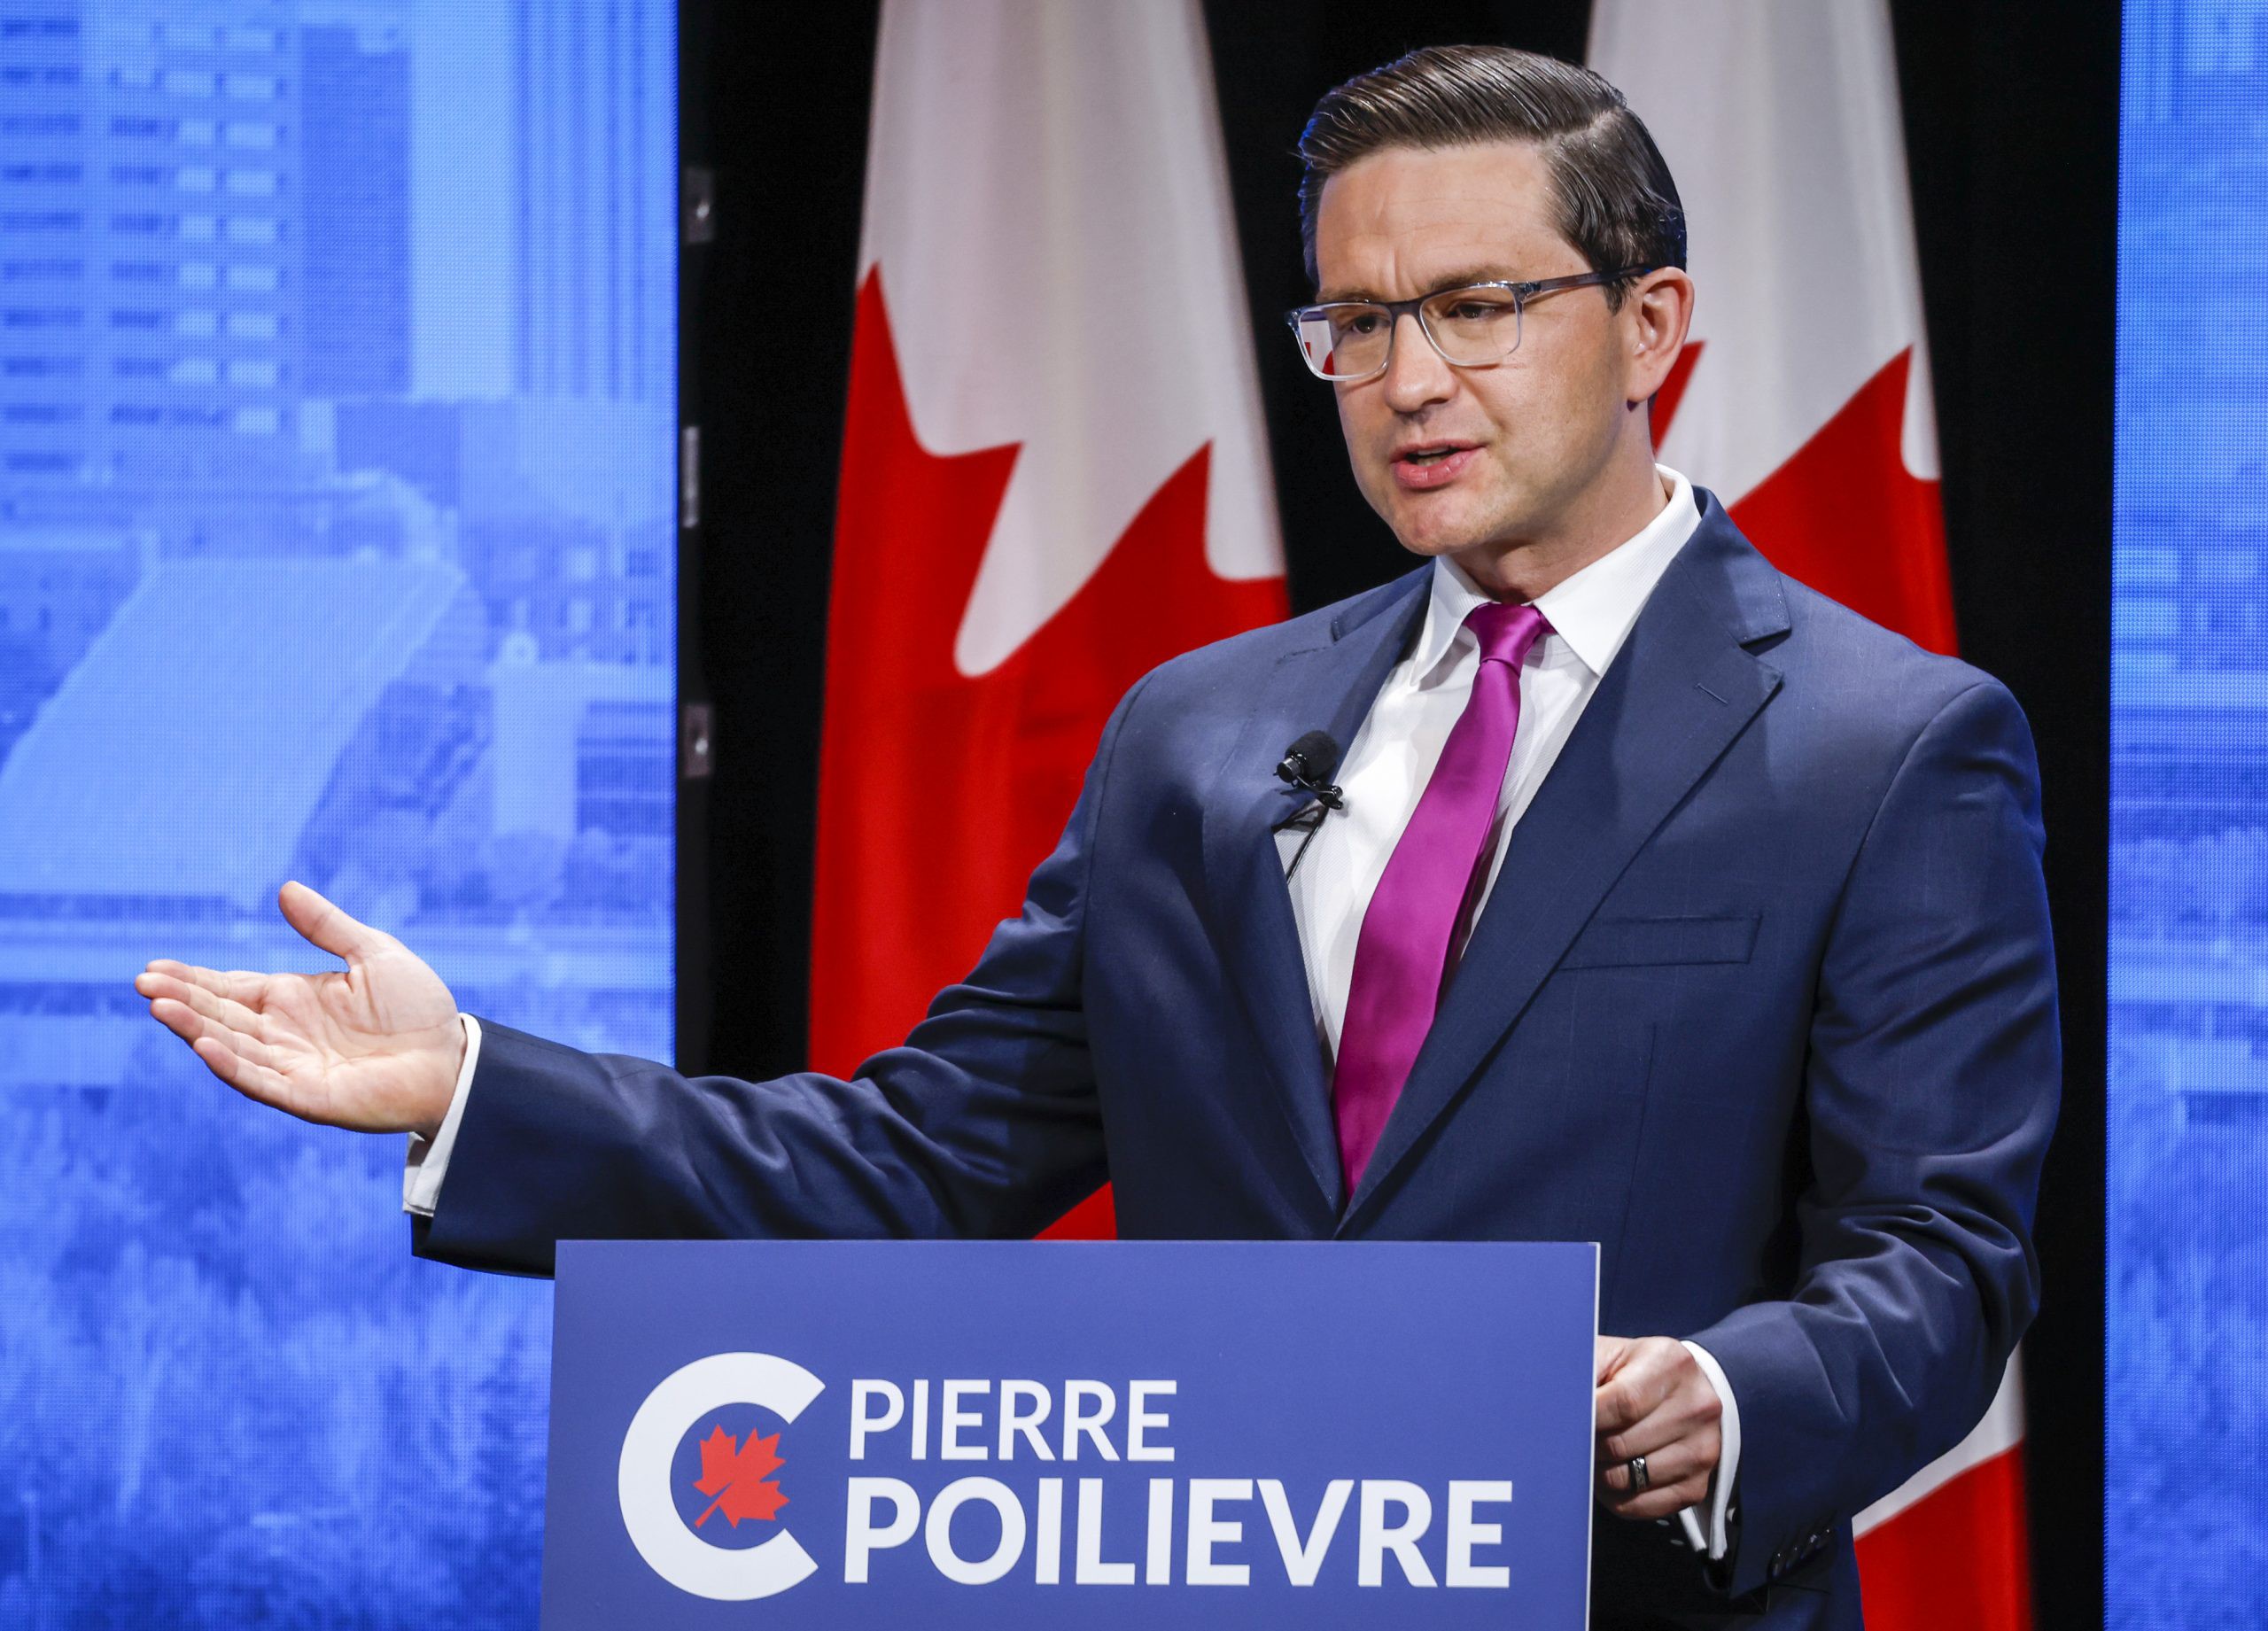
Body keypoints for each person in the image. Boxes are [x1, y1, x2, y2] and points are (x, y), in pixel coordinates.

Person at [136, 45, 2057, 1629]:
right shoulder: (1198, 734)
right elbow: (915, 1155)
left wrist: (1714, 1402)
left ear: (1649, 326)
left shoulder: (1882, 748)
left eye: (1476, 309)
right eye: (1356, 321)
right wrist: (467, 1085)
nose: (1406, 381)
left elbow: (1937, 1255)